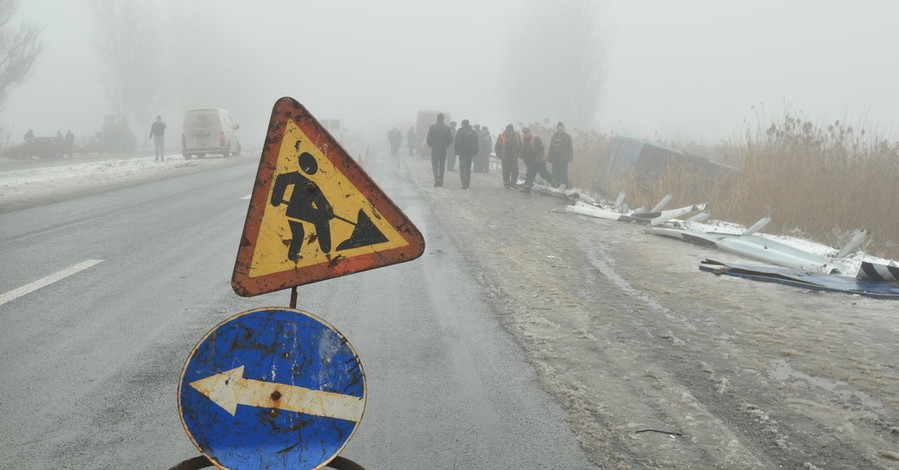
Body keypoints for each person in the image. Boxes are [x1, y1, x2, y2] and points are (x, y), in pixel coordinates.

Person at [270, 152, 334, 261]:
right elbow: (281, 179)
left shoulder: (308, 182)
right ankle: (325, 247)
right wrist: (276, 199)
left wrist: (328, 212)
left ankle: (292, 256)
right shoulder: (299, 178)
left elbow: (321, 201)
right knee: (321, 220)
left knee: (299, 233)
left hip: (293, 211)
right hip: (298, 210)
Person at [425, 113, 452, 187]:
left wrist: (431, 145)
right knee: (442, 165)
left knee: (434, 164)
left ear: (437, 118)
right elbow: (450, 139)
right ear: (443, 119)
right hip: (443, 148)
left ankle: (436, 178)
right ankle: (441, 181)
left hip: (435, 147)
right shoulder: (447, 128)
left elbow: (428, 138)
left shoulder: (432, 127)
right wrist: (446, 145)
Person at [453, 119, 479, 189]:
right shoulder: (473, 132)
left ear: (463, 124)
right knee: (468, 168)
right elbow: (476, 143)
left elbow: (456, 142)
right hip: (470, 153)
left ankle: (464, 184)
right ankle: (467, 183)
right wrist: (475, 152)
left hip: (462, 152)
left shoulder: (460, 132)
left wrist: (456, 151)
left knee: (462, 168)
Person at [495, 124, 522, 189]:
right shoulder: (502, 135)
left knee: (515, 170)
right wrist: (499, 155)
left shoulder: (517, 135)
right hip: (505, 156)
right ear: (506, 130)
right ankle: (506, 184)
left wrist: (519, 154)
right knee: (506, 171)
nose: (510, 132)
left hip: (514, 156)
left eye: (511, 131)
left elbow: (520, 145)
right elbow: (497, 146)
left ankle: (513, 183)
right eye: (509, 131)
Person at [547, 121, 573, 188]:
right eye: (559, 127)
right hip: (555, 157)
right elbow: (551, 147)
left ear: (563, 128)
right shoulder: (553, 136)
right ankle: (555, 184)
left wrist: (571, 156)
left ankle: (564, 185)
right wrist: (549, 157)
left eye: (561, 127)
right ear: (557, 128)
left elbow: (570, 148)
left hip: (564, 157)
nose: (560, 128)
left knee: (563, 172)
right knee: (555, 171)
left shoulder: (567, 137)